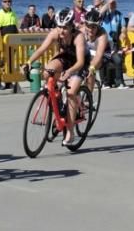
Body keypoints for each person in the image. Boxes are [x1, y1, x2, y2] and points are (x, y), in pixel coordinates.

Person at [21, 8, 87, 146]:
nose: (61, 31)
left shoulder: (78, 37)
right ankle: (56, 101)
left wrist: (69, 72)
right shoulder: (55, 33)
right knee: (47, 72)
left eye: (65, 28)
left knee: (70, 93)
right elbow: (41, 50)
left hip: (79, 63)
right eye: (59, 27)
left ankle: (70, 131)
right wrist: (28, 62)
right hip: (65, 58)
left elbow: (80, 62)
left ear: (71, 26)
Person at [82, 8, 112, 94]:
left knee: (91, 69)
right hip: (89, 51)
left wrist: (92, 68)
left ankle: (88, 97)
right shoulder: (81, 31)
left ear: (98, 26)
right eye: (88, 26)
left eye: (93, 27)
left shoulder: (102, 35)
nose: (90, 29)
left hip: (103, 54)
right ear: (85, 25)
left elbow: (99, 55)